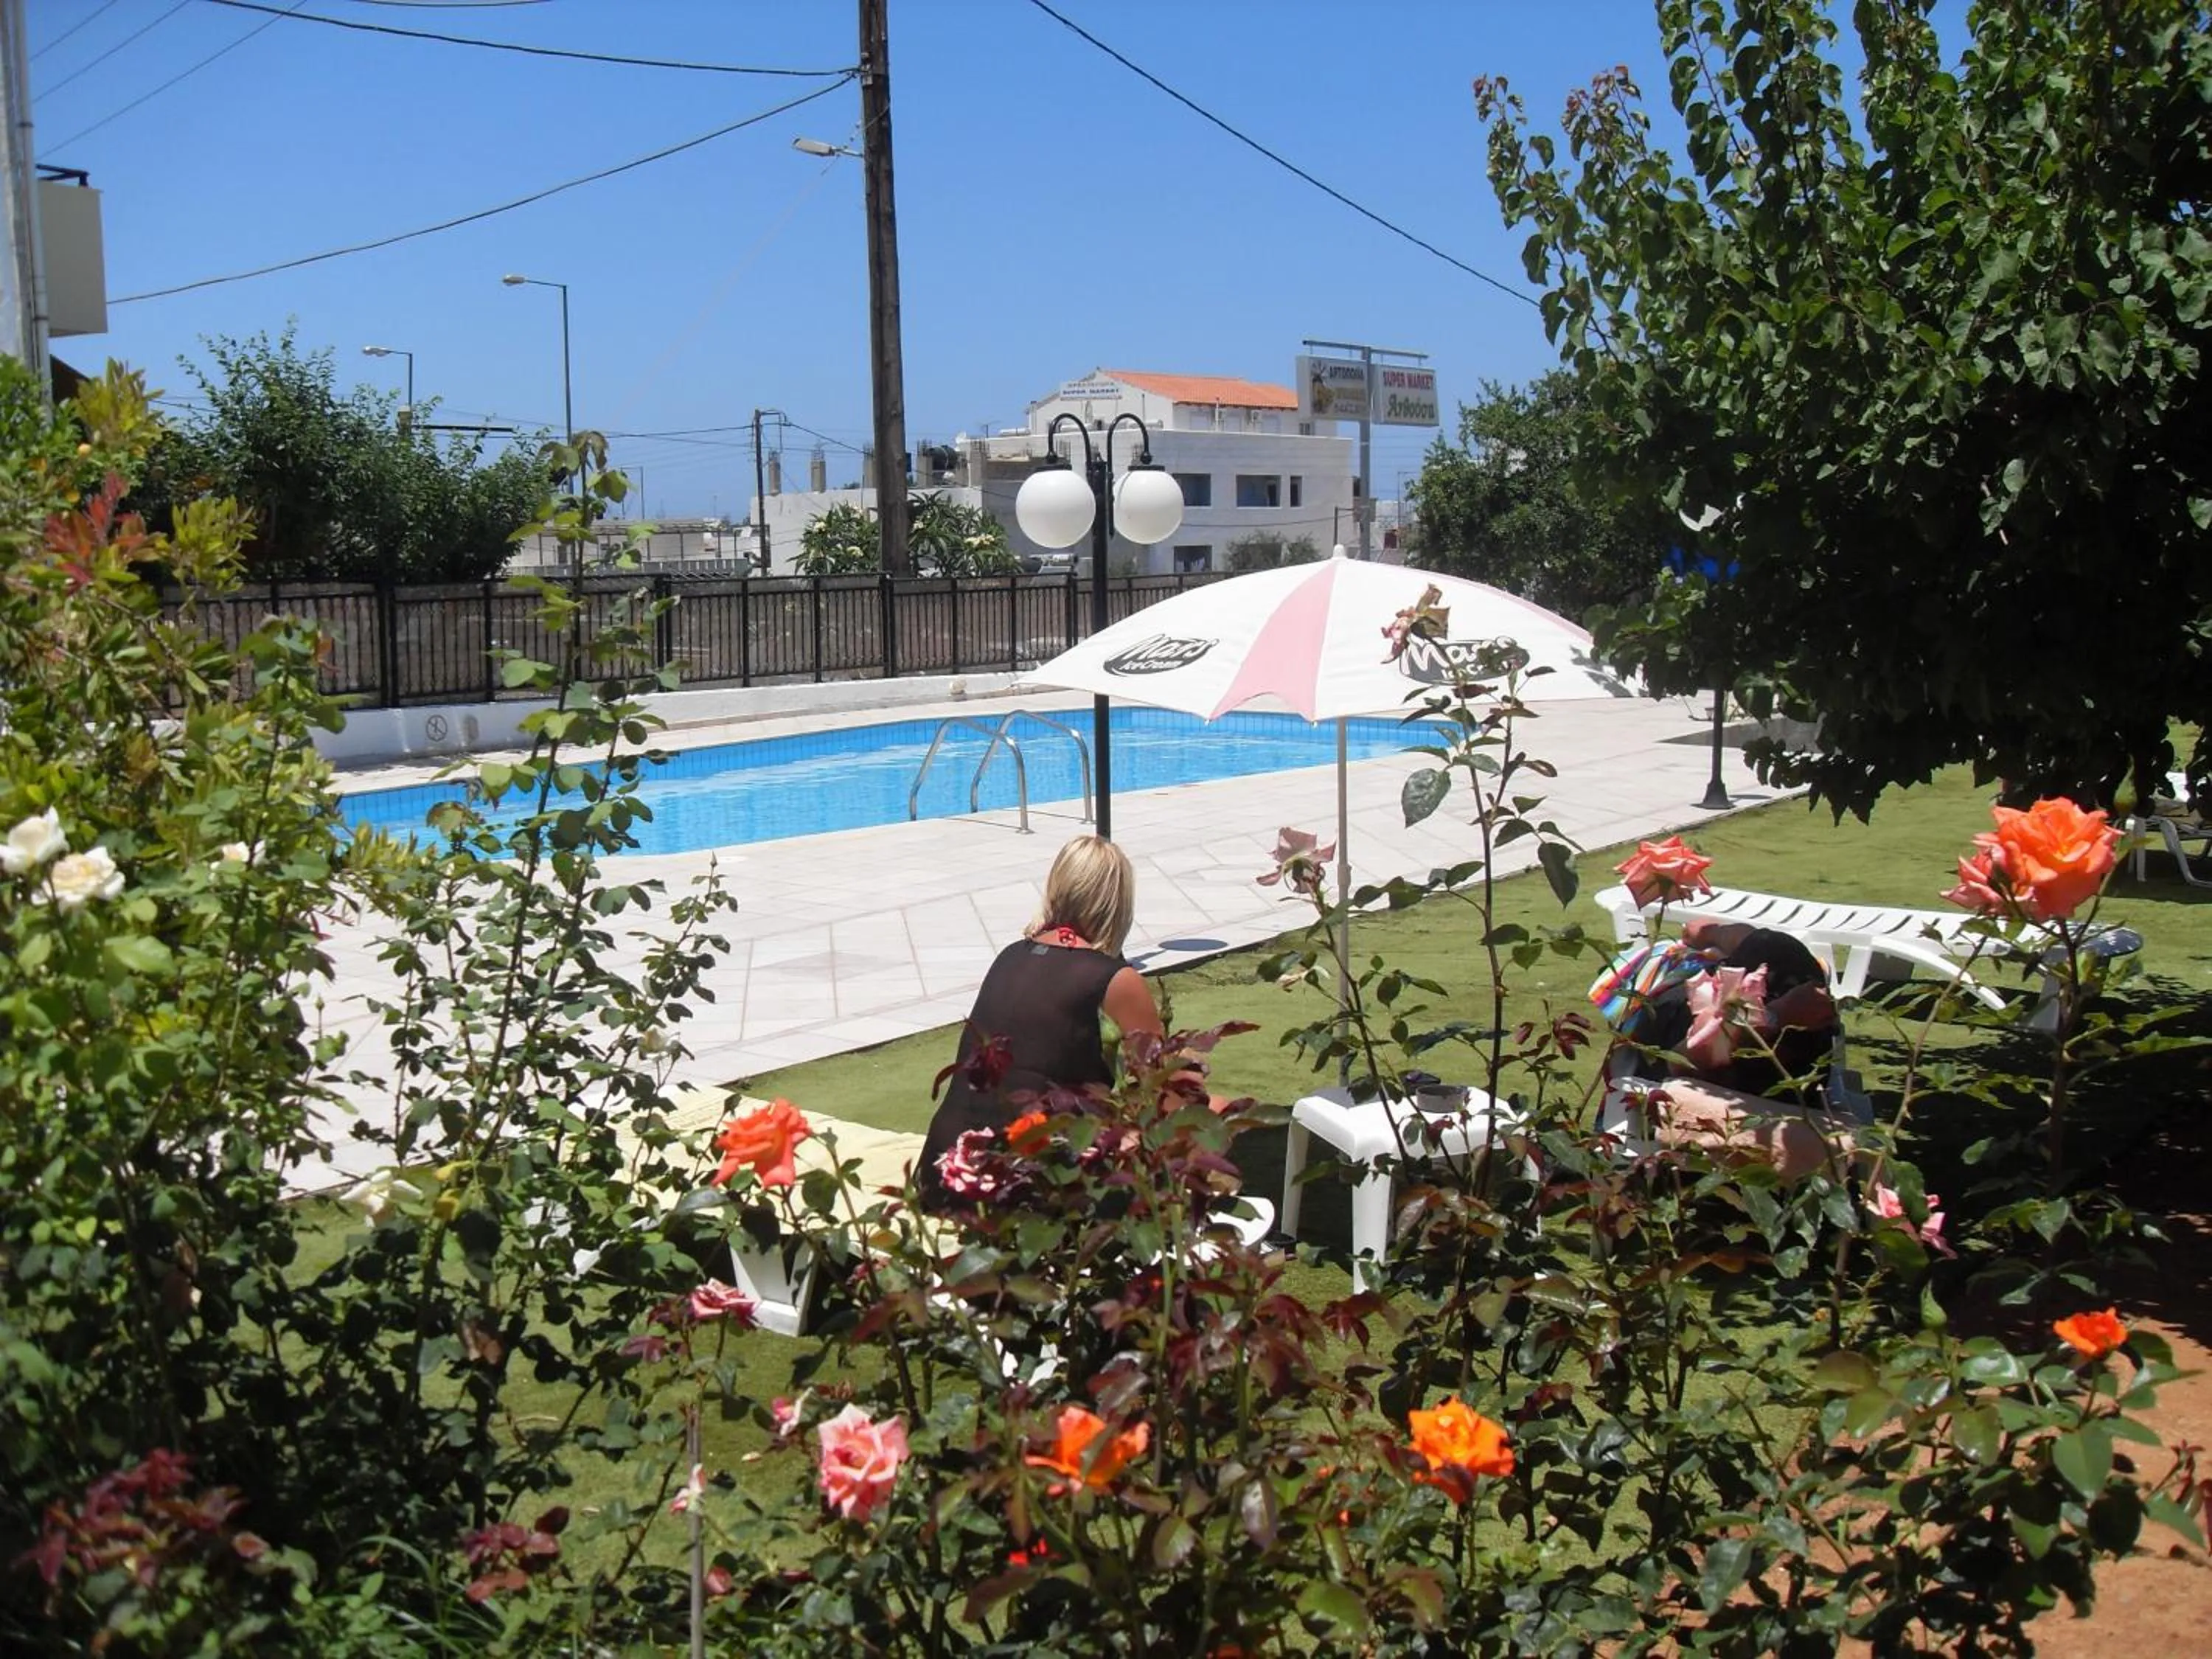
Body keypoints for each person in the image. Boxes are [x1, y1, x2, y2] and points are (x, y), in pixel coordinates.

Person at [916, 835, 1167, 1207]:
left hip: (945, 1171)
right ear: (1118, 903)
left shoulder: (1010, 957)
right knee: (1203, 1119)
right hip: (1030, 1182)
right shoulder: (1114, 979)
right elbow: (1171, 1092)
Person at [1613, 919, 1857, 1180]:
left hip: (1734, 1061)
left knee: (1769, 946)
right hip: (1710, 1046)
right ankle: (1724, 951)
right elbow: (1684, 1061)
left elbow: (1684, 1063)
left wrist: (1771, 1017)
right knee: (1770, 945)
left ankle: (1725, 952)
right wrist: (1774, 1016)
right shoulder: (1707, 1009)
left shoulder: (1701, 1012)